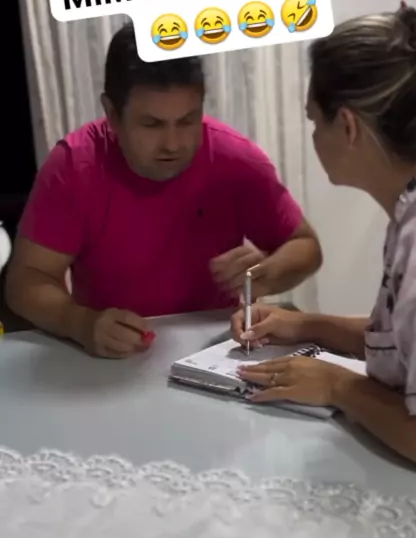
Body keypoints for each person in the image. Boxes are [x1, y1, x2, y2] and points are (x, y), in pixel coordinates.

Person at [232, 6, 416, 482]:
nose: (313, 136)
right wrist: (305, 325)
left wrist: (337, 386)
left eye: (314, 121)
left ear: (347, 127)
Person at [6, 22, 321, 358]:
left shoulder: (236, 160)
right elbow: (26, 280)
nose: (173, 143)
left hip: (219, 352)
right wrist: (80, 323)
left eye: (187, 120)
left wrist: (270, 271)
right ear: (112, 114)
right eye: (152, 124)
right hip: (109, 358)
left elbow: (306, 247)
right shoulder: (74, 167)